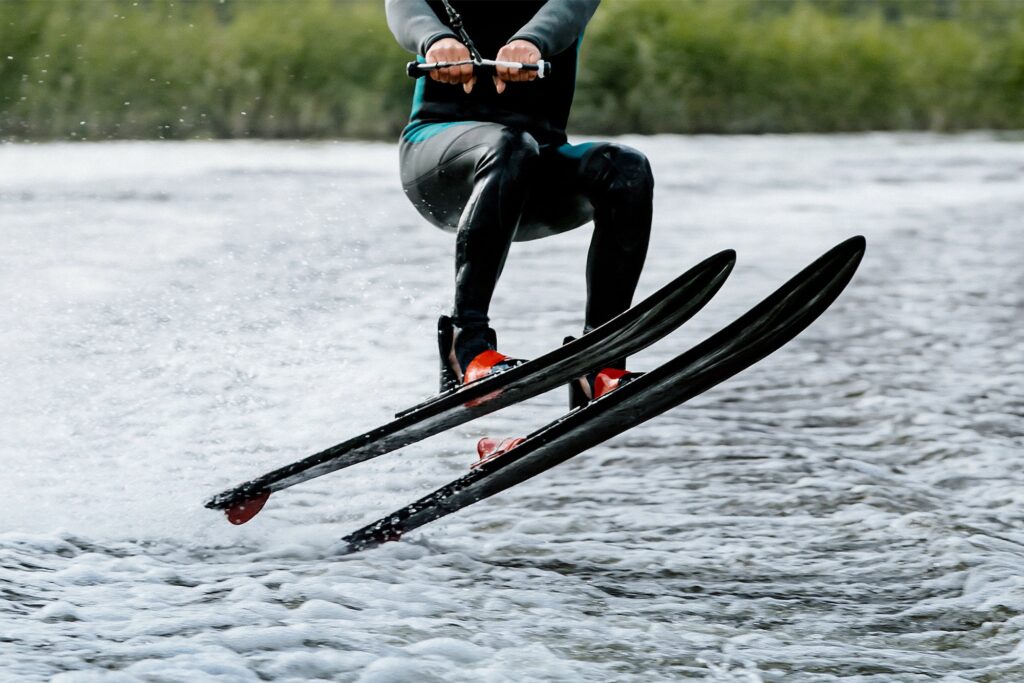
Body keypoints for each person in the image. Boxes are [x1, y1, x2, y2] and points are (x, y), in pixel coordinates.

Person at [385, 0, 653, 408]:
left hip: (536, 172)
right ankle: (468, 347)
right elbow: (404, 7)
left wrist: (531, 41)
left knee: (627, 170)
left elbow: (567, 11)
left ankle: (600, 361)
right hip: (437, 162)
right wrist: (435, 39)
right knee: (510, 143)